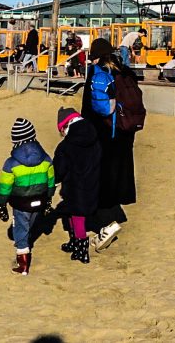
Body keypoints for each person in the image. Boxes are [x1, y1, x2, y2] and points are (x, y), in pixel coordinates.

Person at [81, 39, 138, 251]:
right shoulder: (125, 71)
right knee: (117, 174)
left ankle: (105, 225)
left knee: (98, 178)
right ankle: (114, 212)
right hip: (125, 132)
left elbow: (88, 107)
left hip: (103, 132)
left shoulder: (96, 72)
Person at [0, 118, 55, 275]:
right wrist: (49, 199)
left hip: (21, 204)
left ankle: (23, 265)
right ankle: (27, 244)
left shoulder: (11, 164)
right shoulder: (46, 158)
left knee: (21, 229)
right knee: (31, 224)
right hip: (40, 200)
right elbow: (51, 182)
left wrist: (0, 204)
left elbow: (4, 187)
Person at [53, 108, 101, 264]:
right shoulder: (94, 137)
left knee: (77, 218)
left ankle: (82, 250)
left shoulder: (66, 146)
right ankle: (75, 244)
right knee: (75, 215)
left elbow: (58, 170)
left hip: (74, 187)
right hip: (92, 183)